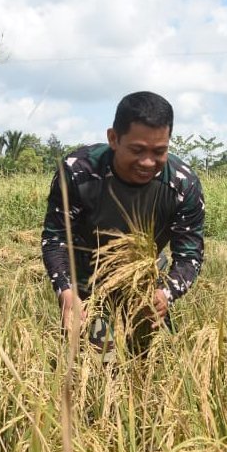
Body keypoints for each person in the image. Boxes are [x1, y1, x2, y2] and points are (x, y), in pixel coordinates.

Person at [41, 91, 205, 356]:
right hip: (88, 279)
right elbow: (56, 239)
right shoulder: (78, 172)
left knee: (156, 361)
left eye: (159, 151)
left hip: (145, 278)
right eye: (137, 150)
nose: (148, 162)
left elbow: (189, 256)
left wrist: (166, 293)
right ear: (113, 139)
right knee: (96, 360)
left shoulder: (183, 185)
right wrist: (66, 291)